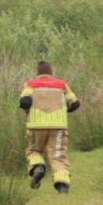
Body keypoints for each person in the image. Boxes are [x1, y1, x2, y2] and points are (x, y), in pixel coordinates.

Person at [19, 61, 79, 194]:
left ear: (37, 72)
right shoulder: (62, 84)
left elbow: (24, 102)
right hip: (58, 126)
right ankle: (62, 186)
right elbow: (75, 104)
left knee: (33, 150)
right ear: (51, 72)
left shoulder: (30, 84)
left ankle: (38, 167)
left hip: (36, 126)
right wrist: (63, 110)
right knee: (58, 156)